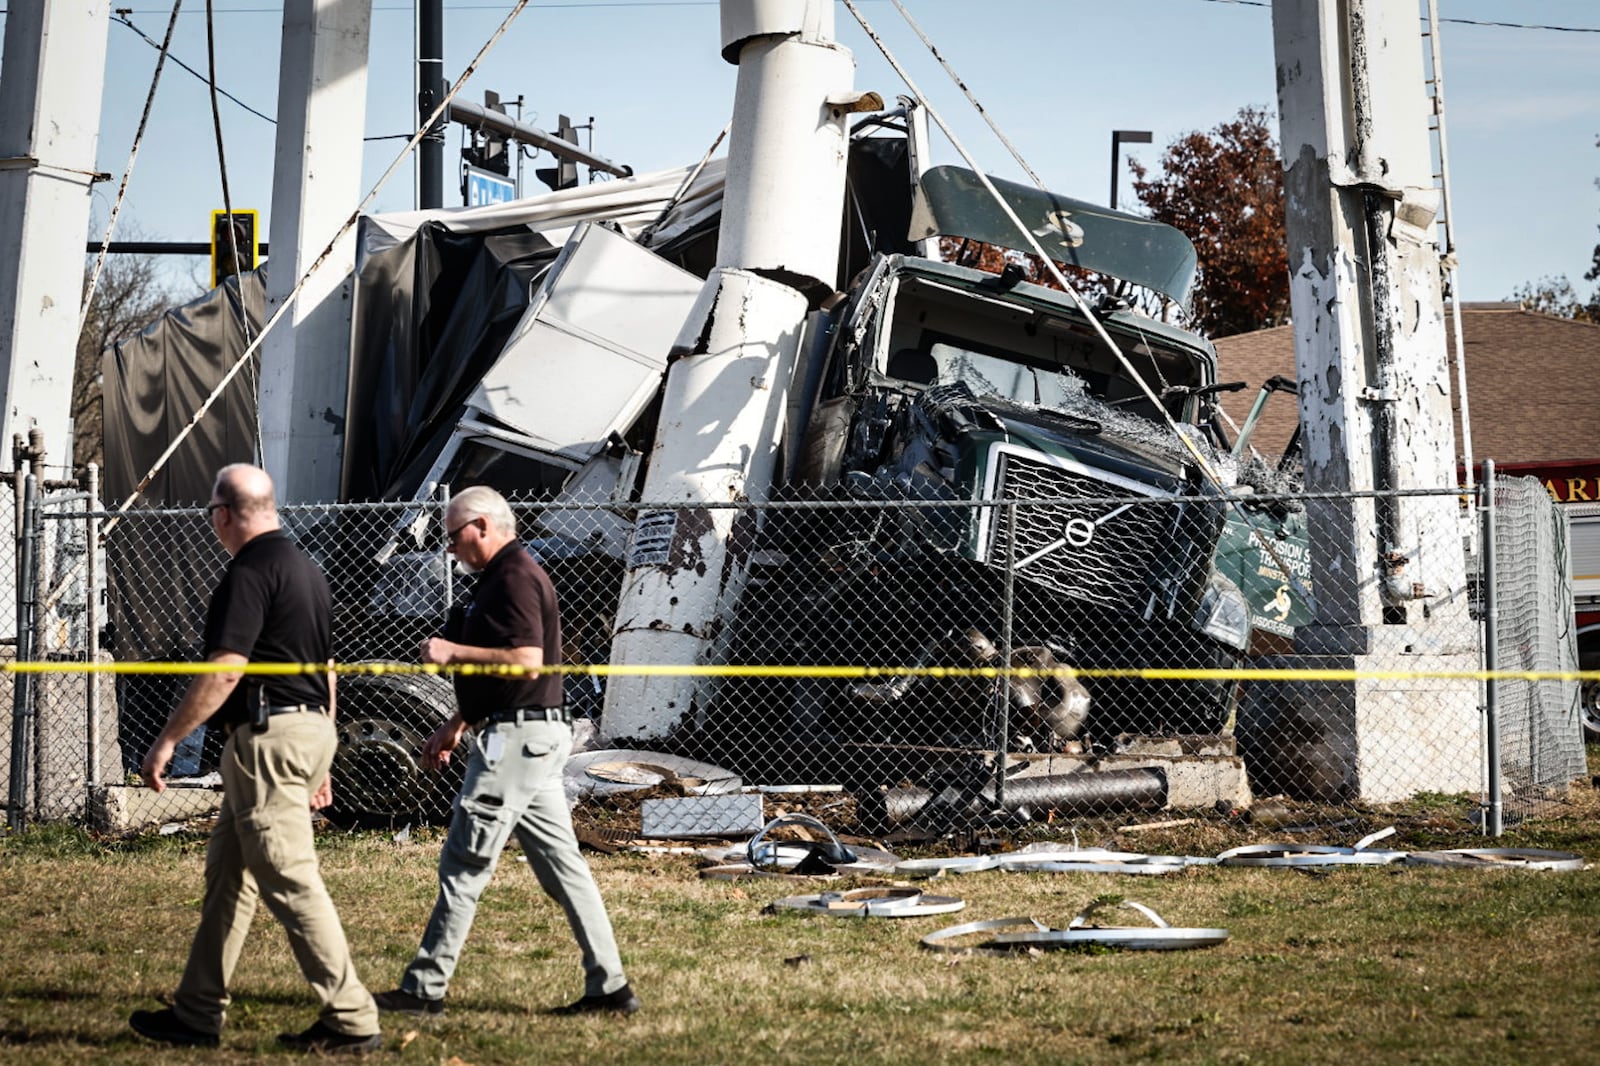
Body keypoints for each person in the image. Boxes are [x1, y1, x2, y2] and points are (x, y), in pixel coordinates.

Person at [129, 464, 382, 1056]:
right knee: (228, 879)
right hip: (305, 728)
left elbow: (226, 668)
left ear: (223, 513)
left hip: (268, 738)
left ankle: (351, 1018)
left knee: (290, 878)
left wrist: (168, 739)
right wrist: (320, 755)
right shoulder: (306, 570)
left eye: (211, 514)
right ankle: (196, 1014)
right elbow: (327, 671)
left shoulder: (247, 572)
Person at [373, 485, 638, 1017]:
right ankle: (610, 990)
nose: (450, 548)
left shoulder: (515, 577)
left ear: (483, 526)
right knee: (564, 869)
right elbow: (503, 677)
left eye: (454, 536)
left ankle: (424, 991)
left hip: (517, 740)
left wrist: (453, 650)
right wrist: (456, 723)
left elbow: (525, 660)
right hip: (525, 733)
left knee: (464, 862)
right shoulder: (496, 579)